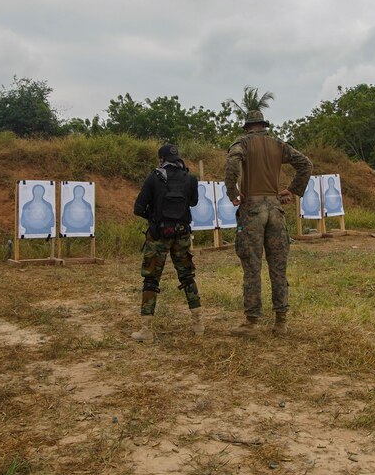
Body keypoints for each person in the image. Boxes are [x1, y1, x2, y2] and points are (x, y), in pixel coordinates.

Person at [224, 109, 312, 335]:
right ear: (264, 125)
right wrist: (292, 190)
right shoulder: (278, 145)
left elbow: (233, 161)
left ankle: (252, 322)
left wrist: (232, 191)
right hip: (275, 209)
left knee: (252, 266)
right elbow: (306, 164)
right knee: (278, 267)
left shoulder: (242, 143)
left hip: (252, 209)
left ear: (247, 127)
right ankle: (281, 321)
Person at [130, 144, 203, 342]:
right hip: (182, 234)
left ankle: (146, 331)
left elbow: (138, 208)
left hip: (159, 234)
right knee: (187, 276)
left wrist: (153, 218)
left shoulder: (154, 177)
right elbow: (194, 202)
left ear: (161, 159)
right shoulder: (190, 178)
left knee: (151, 279)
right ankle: (198, 325)